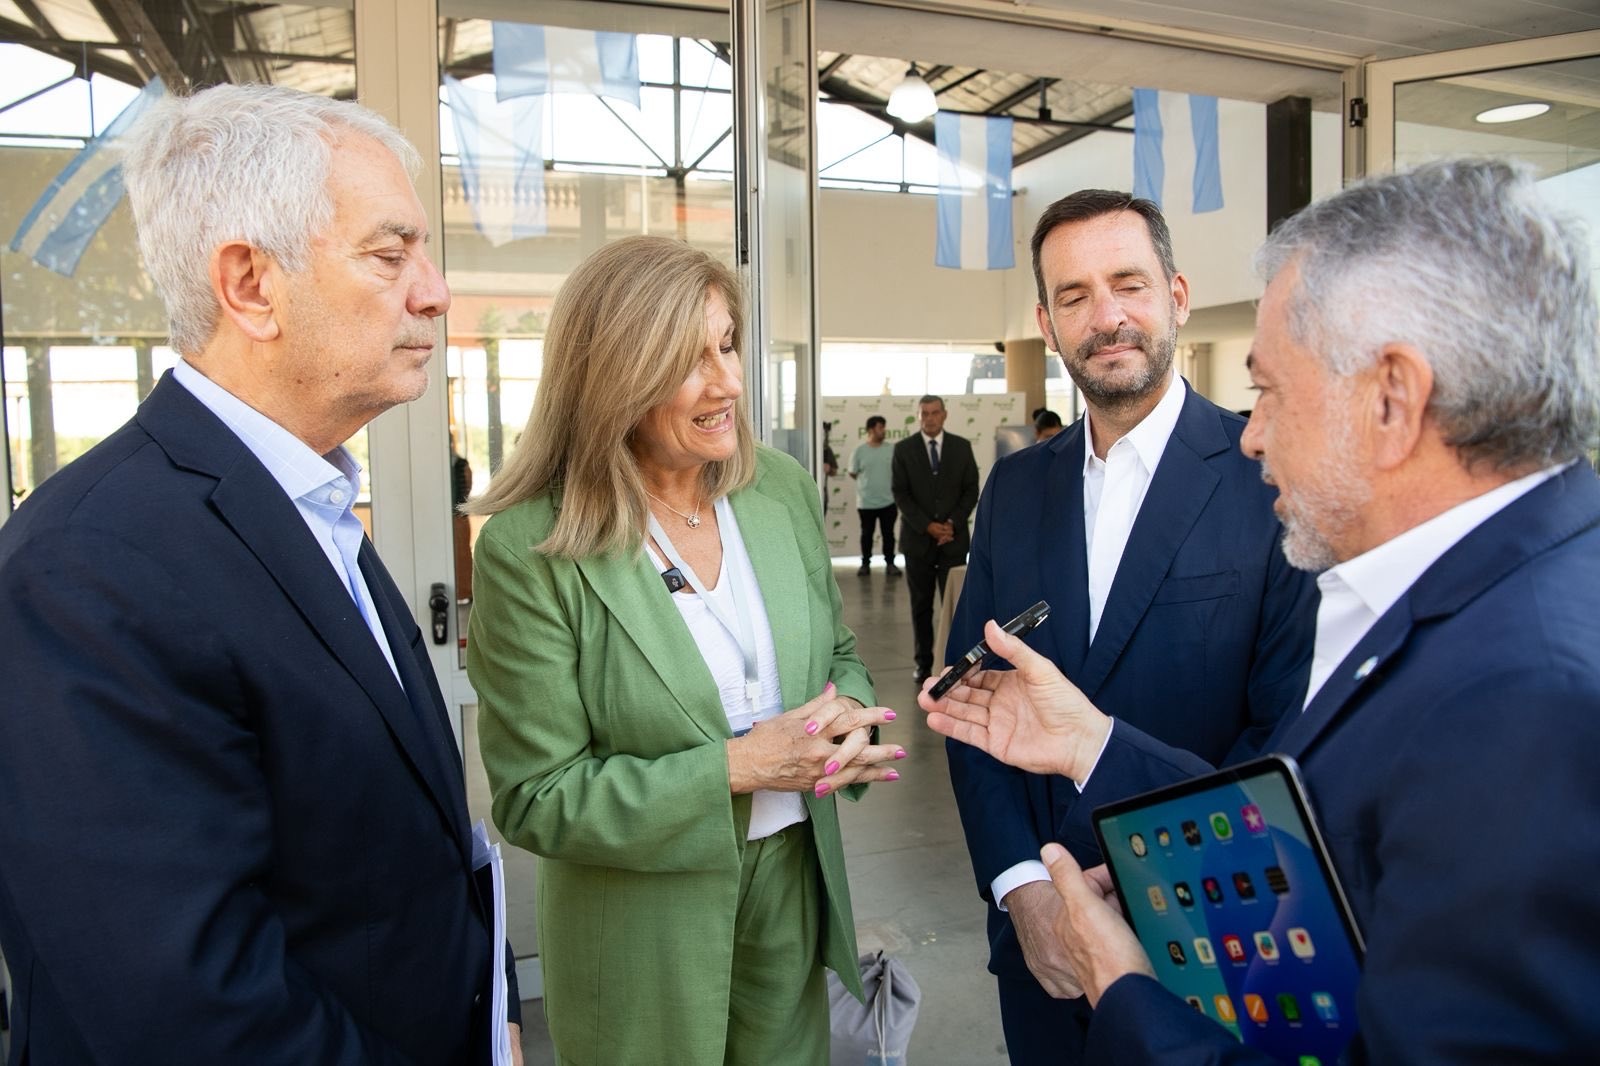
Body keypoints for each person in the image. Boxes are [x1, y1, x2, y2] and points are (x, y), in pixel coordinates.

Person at [923, 157, 1600, 1062]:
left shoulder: (1532, 683)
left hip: (1206, 959)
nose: (1255, 432)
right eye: (1075, 295)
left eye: (1272, 389)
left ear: (1393, 398)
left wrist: (1128, 989)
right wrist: (1030, 880)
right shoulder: (1481, 599)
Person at [0, 84, 520, 1063]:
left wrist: (492, 1019)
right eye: (390, 254)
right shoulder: (87, 568)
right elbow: (187, 1012)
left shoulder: (307, 501)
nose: (435, 291)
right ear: (249, 284)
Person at [463, 235, 904, 1064]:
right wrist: (738, 767)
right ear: (613, 376)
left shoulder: (779, 489)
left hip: (792, 879)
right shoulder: (532, 547)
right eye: (688, 360)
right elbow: (534, 798)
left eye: (728, 345)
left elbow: (838, 651)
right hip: (642, 925)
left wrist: (846, 714)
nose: (728, 382)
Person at [945, 188, 1317, 1065]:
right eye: (1074, 296)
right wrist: (1024, 889)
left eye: (1128, 284)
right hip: (1041, 954)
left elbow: (1283, 733)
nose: (1106, 317)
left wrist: (1155, 884)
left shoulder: (1267, 478)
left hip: (1207, 937)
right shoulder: (1015, 490)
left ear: (1177, 296)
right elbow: (971, 707)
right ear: (1048, 324)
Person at [893, 394, 980, 682]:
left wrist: (951, 523)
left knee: (956, 607)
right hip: (918, 542)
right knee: (921, 606)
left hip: (953, 541)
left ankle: (955, 663)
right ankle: (923, 663)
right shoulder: (904, 450)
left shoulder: (961, 447)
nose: (929, 418)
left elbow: (970, 489)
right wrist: (928, 526)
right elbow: (901, 493)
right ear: (918, 416)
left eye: (934, 412)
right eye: (924, 413)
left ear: (944, 414)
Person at [849, 414, 901, 576]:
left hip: (889, 501)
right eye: (880, 427)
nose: (883, 430)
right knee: (866, 534)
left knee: (888, 534)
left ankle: (890, 563)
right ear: (871, 430)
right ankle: (865, 564)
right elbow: (853, 472)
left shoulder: (892, 449)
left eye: (884, 427)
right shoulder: (859, 451)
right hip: (866, 502)